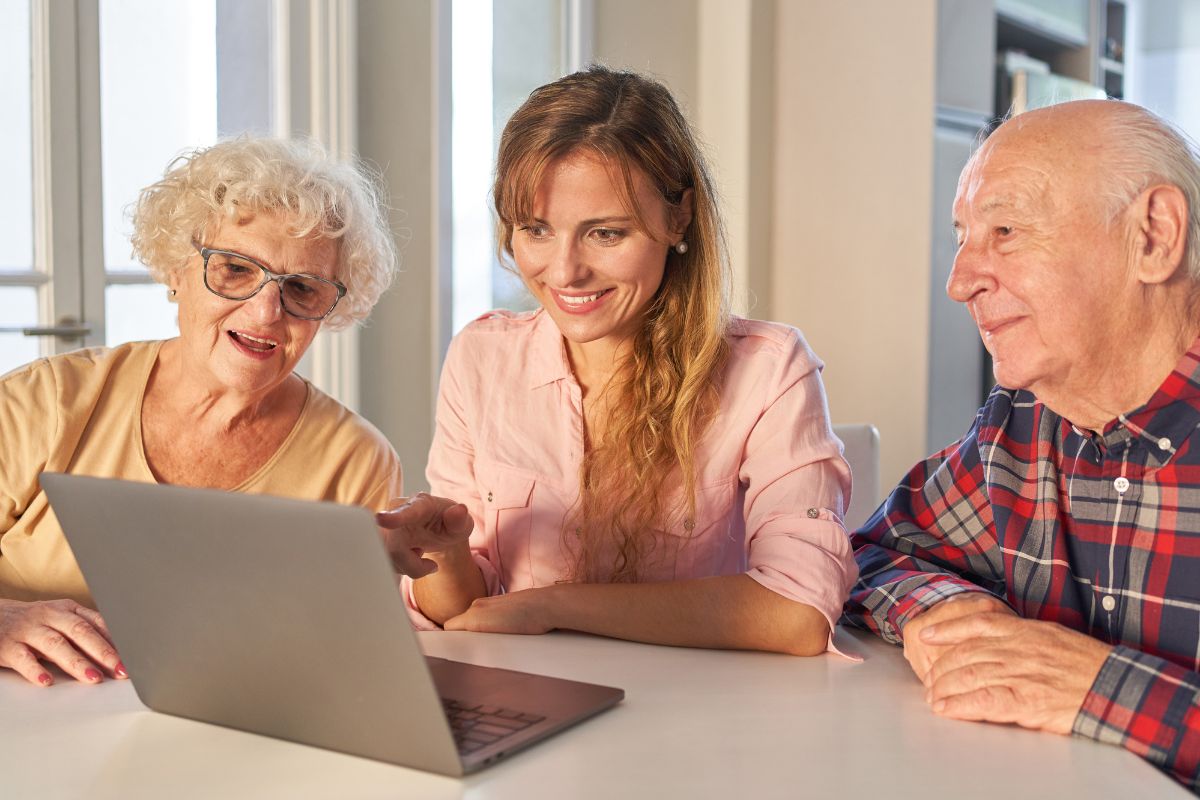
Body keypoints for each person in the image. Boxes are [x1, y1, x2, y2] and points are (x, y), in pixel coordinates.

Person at [377, 66, 857, 656]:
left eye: (605, 234)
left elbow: (797, 613)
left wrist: (554, 606)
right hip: (529, 695)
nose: (564, 271)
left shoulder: (769, 371)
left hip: (706, 705)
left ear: (678, 217)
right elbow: (463, 615)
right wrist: (446, 552)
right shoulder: (481, 357)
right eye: (537, 229)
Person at [845, 99, 1200, 790]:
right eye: (962, 237)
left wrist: (1099, 688)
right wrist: (950, 615)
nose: (958, 283)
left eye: (1005, 230)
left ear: (1154, 237)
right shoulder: (1021, 424)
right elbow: (877, 553)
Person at [0, 137, 403, 687]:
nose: (266, 312)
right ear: (176, 270)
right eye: (235, 269)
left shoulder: (356, 461)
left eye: (302, 288)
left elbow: (349, 662)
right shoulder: (45, 401)